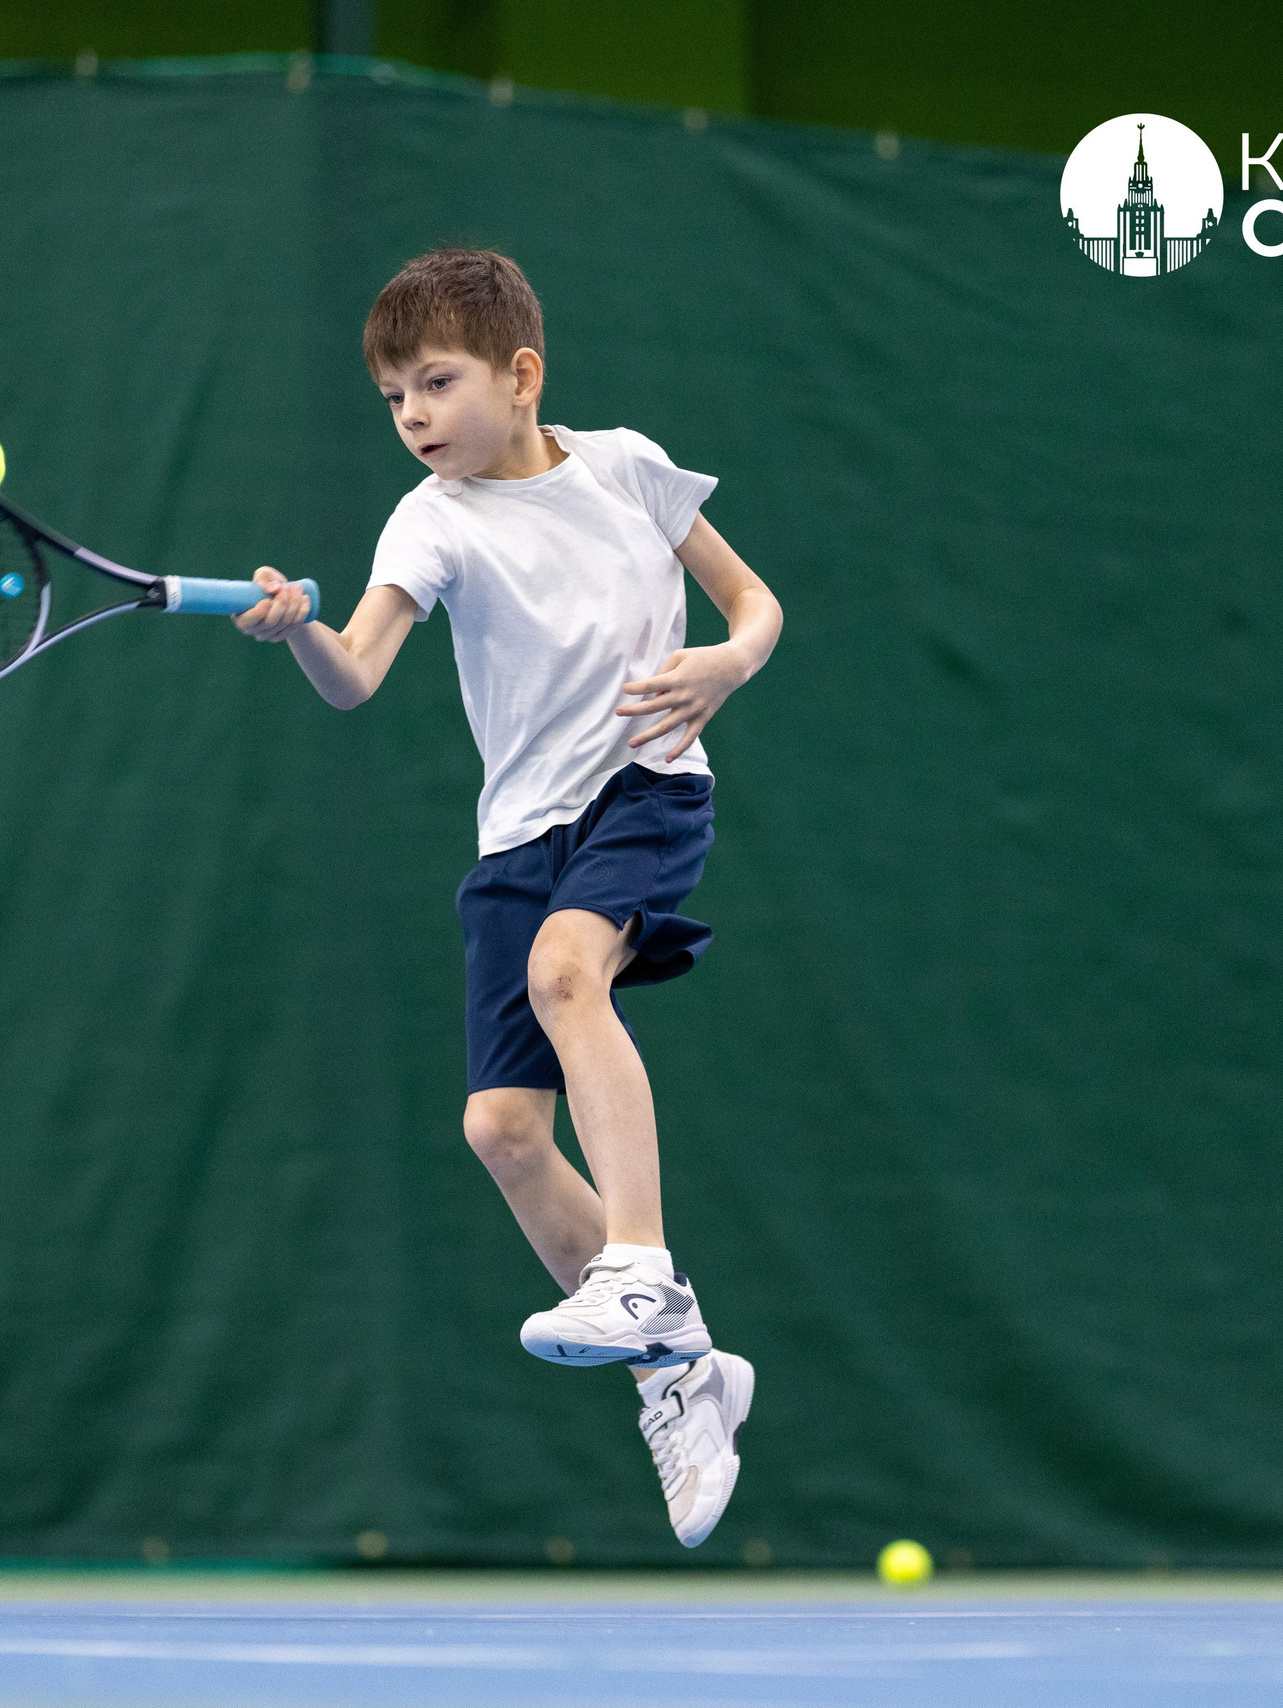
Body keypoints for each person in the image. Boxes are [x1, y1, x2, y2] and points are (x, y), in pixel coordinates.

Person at [234, 247, 783, 1548]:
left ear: (522, 376)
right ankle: (683, 1367)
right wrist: (301, 625)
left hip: (644, 785)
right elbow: (358, 673)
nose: (413, 415)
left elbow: (752, 601)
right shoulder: (428, 521)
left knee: (566, 974)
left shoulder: (631, 470)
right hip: (517, 835)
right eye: (392, 399)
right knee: (501, 1131)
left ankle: (639, 1271)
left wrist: (726, 665)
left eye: (436, 382)